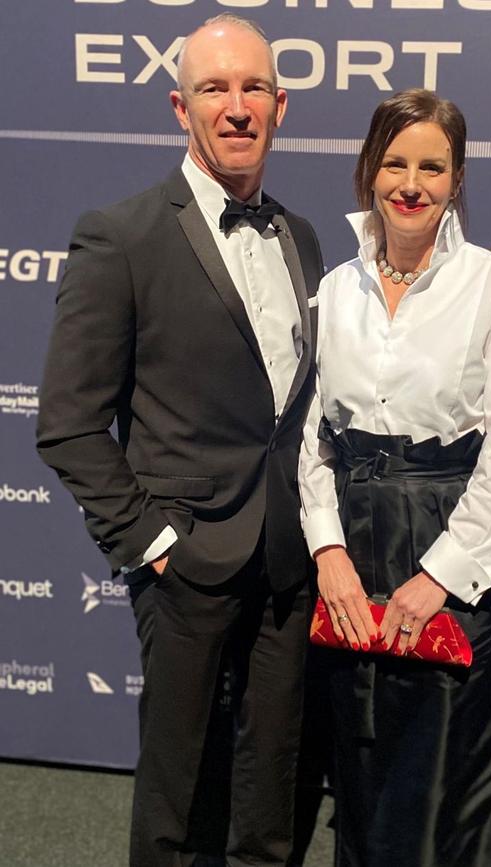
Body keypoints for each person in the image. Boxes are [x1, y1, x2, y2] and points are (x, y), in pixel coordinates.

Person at [36, 14, 322, 867]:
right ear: (179, 105)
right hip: (184, 561)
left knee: (273, 790)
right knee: (178, 801)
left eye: (253, 88)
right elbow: (69, 422)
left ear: (281, 104)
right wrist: (152, 544)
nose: (237, 107)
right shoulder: (119, 235)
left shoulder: (302, 236)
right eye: (214, 88)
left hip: (287, 559)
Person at [298, 89, 491, 867]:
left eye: (432, 166)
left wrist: (439, 576)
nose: (412, 183)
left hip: (452, 552)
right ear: (370, 169)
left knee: (449, 780)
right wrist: (327, 550)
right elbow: (311, 438)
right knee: (362, 769)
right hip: (352, 557)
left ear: (457, 176)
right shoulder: (336, 289)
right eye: (396, 162)